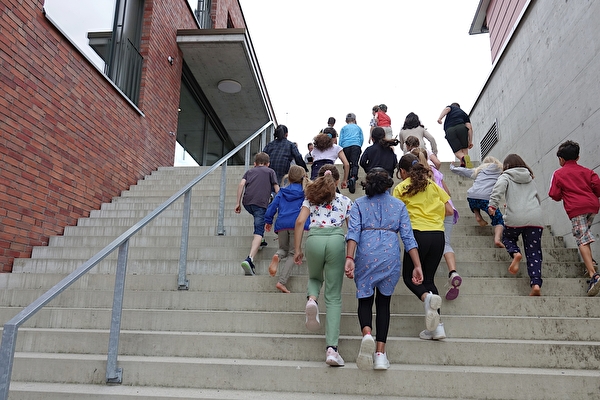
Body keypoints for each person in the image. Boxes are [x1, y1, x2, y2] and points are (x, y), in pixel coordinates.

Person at [344, 168, 422, 370]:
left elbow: (353, 232)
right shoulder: (398, 205)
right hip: (389, 254)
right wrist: (417, 264)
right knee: (384, 303)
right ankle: (380, 354)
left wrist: (350, 257)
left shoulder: (359, 204)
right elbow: (408, 237)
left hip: (365, 253)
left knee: (364, 298)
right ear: (388, 185)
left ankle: (367, 334)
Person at [294, 164, 353, 366]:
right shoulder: (345, 201)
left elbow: (300, 222)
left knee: (314, 277)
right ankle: (332, 350)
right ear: (337, 182)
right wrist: (352, 256)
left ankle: (312, 299)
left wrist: (298, 248)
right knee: (334, 296)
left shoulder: (310, 199)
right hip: (336, 240)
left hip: (315, 239)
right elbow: (351, 228)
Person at [393, 153, 453, 340]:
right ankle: (437, 328)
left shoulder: (401, 188)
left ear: (402, 171)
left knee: (409, 277)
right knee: (428, 279)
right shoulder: (433, 185)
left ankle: (427, 299)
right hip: (438, 235)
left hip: (416, 235)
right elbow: (449, 210)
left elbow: (396, 215)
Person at [548, 140, 600, 296]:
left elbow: (554, 194)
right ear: (577, 157)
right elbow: (598, 188)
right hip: (592, 206)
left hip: (576, 209)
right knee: (584, 235)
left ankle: (594, 275)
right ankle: (591, 263)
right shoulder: (587, 171)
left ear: (561, 159)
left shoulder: (558, 173)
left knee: (581, 238)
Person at [488, 154, 544, 296]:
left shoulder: (505, 176)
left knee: (507, 239)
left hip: (515, 218)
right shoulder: (530, 177)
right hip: (535, 217)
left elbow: (498, 190)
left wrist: (493, 205)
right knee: (534, 252)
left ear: (506, 166)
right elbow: (537, 197)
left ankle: (516, 253)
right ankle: (536, 284)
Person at [411, 147, 461, 300]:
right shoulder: (435, 172)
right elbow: (448, 193)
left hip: (434, 212)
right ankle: (453, 272)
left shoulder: (418, 176)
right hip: (448, 207)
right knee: (446, 243)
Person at [264, 165, 310, 293]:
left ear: (288, 177)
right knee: (292, 253)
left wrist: (268, 221)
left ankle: (277, 256)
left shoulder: (282, 191)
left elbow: (272, 207)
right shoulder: (305, 192)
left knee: (283, 249)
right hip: (297, 225)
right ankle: (282, 282)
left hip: (282, 224)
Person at [235, 152, 280, 276]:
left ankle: (261, 239)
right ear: (268, 164)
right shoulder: (270, 172)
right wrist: (281, 203)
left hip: (247, 203)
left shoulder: (249, 172)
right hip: (260, 204)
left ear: (255, 164)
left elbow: (241, 184)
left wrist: (237, 203)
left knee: (258, 217)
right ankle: (249, 259)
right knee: (258, 230)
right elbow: (277, 189)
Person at [450, 156, 505, 248]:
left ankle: (477, 215)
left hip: (472, 196)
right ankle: (497, 239)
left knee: (475, 203)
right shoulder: (500, 171)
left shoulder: (478, 170)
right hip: (487, 198)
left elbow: (463, 171)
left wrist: (452, 167)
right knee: (499, 219)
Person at [437, 103, 473, 168]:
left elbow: (447, 109)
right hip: (462, 128)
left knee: (457, 152)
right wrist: (470, 141)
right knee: (464, 149)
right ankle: (465, 164)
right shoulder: (464, 114)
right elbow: (469, 128)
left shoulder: (451, 108)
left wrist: (440, 118)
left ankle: (463, 159)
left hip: (450, 130)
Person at [339, 112, 364, 193]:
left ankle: (347, 178)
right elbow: (361, 138)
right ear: (354, 120)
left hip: (345, 146)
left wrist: (341, 149)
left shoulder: (343, 128)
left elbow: (340, 140)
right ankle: (353, 177)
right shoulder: (358, 128)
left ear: (346, 120)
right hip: (356, 145)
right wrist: (359, 145)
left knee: (346, 163)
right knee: (354, 163)